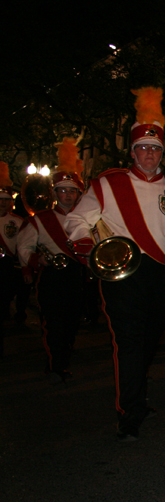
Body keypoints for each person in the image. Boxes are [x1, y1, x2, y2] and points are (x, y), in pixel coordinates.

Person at [66, 87, 165, 440]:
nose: (150, 154)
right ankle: (130, 409)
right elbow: (77, 220)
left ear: (162, 153)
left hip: (160, 275)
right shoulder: (110, 184)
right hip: (123, 274)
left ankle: (136, 396)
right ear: (133, 151)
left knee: (150, 341)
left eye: (155, 149)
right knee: (129, 342)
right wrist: (81, 241)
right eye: (143, 148)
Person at [17, 142, 86, 383]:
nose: (67, 195)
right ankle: (56, 363)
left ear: (78, 194)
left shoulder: (85, 219)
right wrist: (38, 259)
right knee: (53, 322)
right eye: (63, 191)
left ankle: (63, 354)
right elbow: (23, 246)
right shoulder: (42, 219)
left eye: (72, 191)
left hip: (78, 276)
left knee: (71, 322)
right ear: (55, 194)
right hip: (52, 276)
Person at [0, 162, 25, 358]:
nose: (2, 203)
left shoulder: (18, 220)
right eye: (0, 199)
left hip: (10, 265)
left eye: (5, 200)